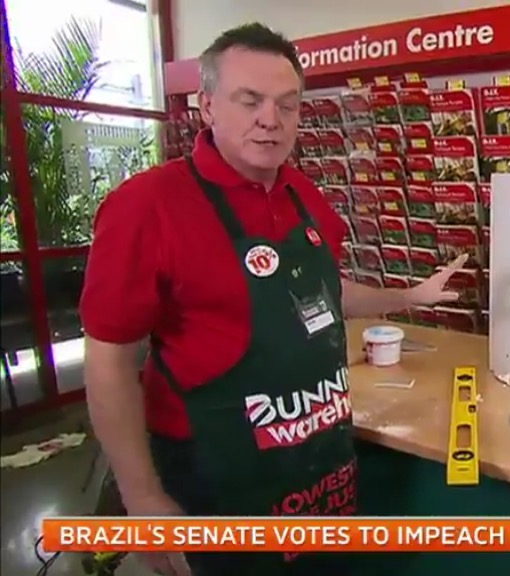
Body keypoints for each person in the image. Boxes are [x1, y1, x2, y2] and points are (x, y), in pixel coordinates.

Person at [80, 23, 465, 576]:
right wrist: (142, 497)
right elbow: (109, 361)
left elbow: (323, 292)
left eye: (287, 105)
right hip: (219, 485)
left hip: (321, 472)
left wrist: (409, 296)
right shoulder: (147, 206)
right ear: (207, 105)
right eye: (250, 100)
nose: (271, 119)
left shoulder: (303, 195)